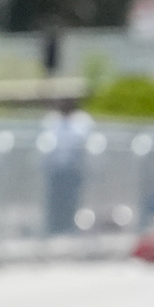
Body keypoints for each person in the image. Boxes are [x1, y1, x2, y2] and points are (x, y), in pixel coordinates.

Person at [42, 95, 94, 235]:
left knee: (71, 199)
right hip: (56, 169)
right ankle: (54, 227)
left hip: (73, 170)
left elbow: (83, 142)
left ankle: (68, 226)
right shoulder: (52, 120)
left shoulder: (82, 122)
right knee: (55, 199)